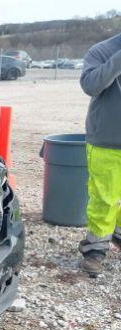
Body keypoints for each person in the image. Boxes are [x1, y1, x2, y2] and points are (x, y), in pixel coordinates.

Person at [78, 33, 121, 276]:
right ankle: (95, 249)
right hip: (107, 140)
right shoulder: (101, 50)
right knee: (105, 199)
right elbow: (90, 85)